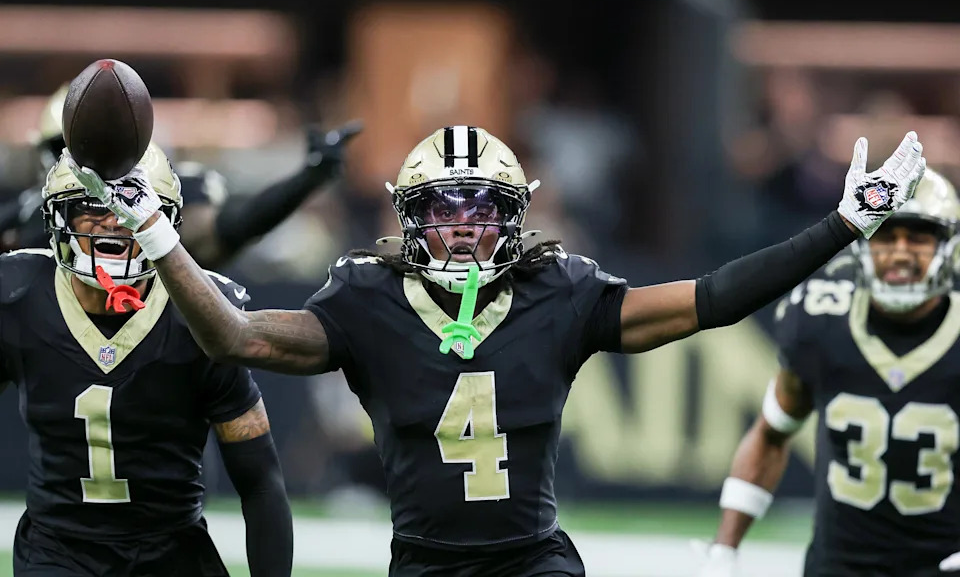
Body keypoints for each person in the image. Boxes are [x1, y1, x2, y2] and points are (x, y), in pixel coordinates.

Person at [70, 124, 924, 576]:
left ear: (515, 216)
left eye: (483, 207)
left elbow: (713, 301)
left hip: (531, 562)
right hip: (425, 564)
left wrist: (844, 223)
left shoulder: (563, 293)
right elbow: (238, 334)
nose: (464, 226)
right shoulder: (365, 299)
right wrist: (152, 231)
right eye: (444, 208)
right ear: (409, 215)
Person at [1, 145, 293, 576]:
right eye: (92, 207)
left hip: (171, 551)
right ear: (58, 218)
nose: (113, 221)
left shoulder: (201, 314)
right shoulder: (18, 296)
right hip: (56, 551)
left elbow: (260, 480)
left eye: (128, 207)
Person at [696, 168, 960, 577]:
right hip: (839, 566)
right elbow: (771, 432)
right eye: (887, 236)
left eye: (919, 238)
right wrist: (724, 550)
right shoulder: (821, 314)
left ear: (949, 246)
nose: (902, 252)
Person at [0, 83, 360, 268]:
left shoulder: (174, 190)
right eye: (71, 146)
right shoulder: (30, 210)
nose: (90, 159)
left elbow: (221, 232)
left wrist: (305, 181)